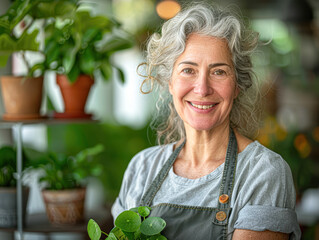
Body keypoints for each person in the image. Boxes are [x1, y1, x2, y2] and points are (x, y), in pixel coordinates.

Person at [111, 3, 301, 239]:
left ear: (237, 86)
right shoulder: (142, 169)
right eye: (188, 70)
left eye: (218, 71)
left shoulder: (262, 172)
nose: (202, 89)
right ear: (170, 82)